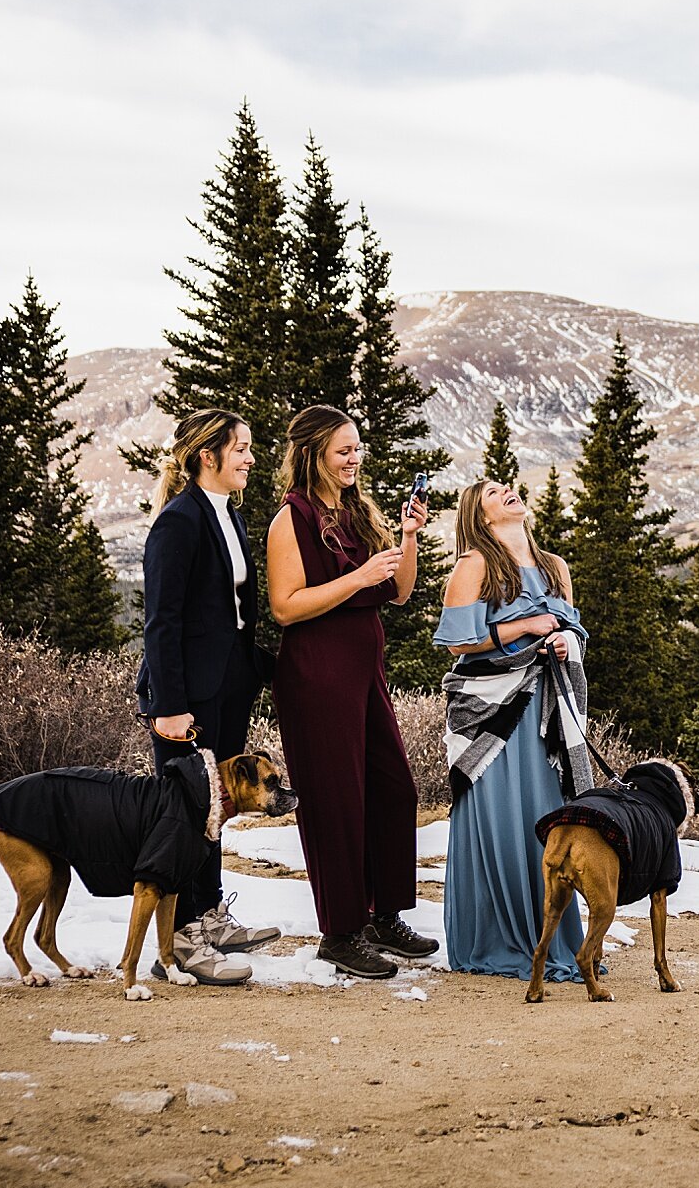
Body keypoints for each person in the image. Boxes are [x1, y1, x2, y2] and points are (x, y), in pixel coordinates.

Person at [267, 404, 439, 979]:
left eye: (358, 448)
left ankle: (384, 915)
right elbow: (286, 608)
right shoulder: (289, 520)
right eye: (343, 450)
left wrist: (409, 537)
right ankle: (341, 932)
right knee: (337, 803)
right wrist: (357, 578)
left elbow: (401, 592)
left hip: (365, 674)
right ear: (314, 453)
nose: (354, 458)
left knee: (394, 790)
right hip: (316, 676)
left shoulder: (359, 513)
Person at [136, 409, 279, 985]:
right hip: (186, 698)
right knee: (184, 816)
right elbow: (161, 621)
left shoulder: (229, 515)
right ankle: (178, 943)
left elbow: (234, 617)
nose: (249, 458)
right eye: (240, 449)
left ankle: (209, 917)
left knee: (214, 811)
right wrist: (169, 706)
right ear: (207, 457)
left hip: (227, 689)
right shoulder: (179, 521)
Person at [434, 480, 590, 981]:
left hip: (545, 713)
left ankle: (551, 939)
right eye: (493, 492)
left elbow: (574, 629)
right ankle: (497, 938)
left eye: (510, 487)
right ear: (478, 516)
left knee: (548, 822)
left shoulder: (555, 567)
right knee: (502, 818)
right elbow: (459, 643)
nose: (508, 492)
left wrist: (565, 639)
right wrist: (524, 627)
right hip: (493, 716)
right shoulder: (474, 565)